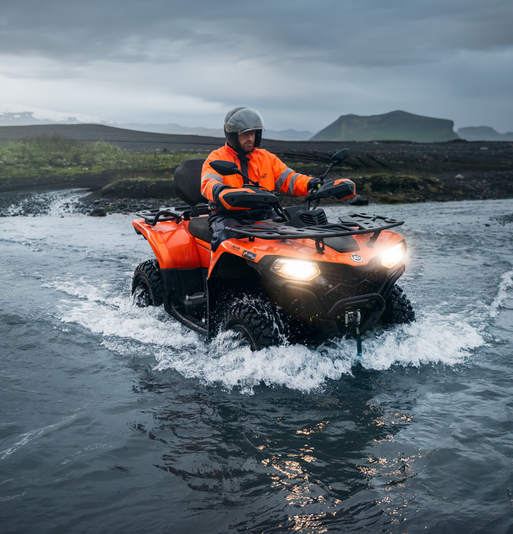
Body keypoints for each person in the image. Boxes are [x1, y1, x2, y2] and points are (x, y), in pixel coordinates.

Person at [201, 107, 321, 251]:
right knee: (226, 239)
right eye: (245, 134)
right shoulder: (217, 157)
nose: (250, 138)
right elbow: (208, 182)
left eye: (253, 133)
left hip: (265, 213)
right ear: (232, 135)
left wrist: (312, 184)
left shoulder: (267, 158)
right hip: (229, 215)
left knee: (297, 235)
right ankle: (218, 273)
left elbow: (291, 179)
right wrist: (220, 190)